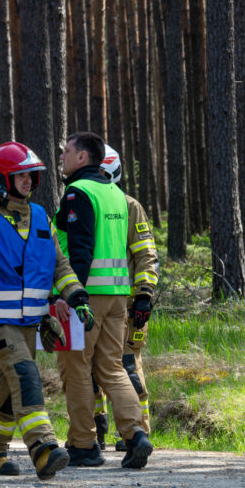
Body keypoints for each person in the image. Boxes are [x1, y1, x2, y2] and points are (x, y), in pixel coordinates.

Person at [0, 143, 87, 480]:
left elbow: (59, 264)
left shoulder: (42, 216)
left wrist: (76, 297)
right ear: (1, 179)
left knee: (6, 385)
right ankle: (43, 449)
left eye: (31, 174)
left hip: (31, 322)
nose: (28, 180)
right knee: (27, 378)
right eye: (20, 175)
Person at [55, 132, 153, 469]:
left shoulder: (78, 192)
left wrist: (69, 294)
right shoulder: (115, 193)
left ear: (83, 157)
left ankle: (84, 445)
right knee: (112, 367)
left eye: (67, 151)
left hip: (86, 296)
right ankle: (136, 435)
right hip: (117, 296)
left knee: (76, 368)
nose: (62, 157)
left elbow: (79, 250)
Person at [90, 145, 159, 451]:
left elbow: (146, 256)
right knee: (90, 368)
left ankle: (136, 433)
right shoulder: (85, 202)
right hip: (94, 303)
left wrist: (144, 296)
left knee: (126, 366)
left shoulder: (131, 207)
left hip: (129, 307)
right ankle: (96, 429)